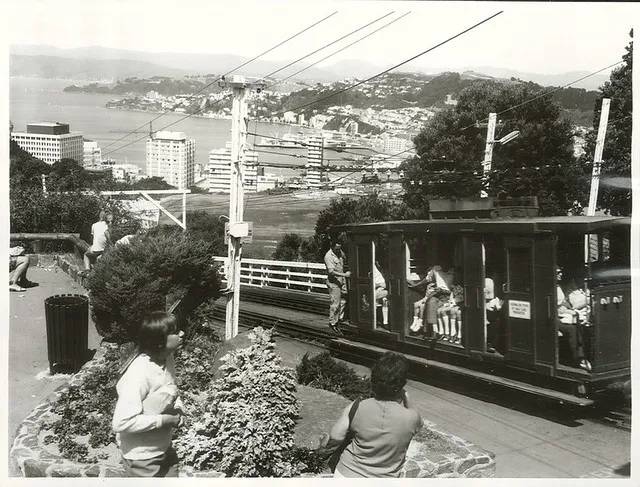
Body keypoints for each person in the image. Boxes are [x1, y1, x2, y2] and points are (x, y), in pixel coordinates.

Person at [326, 351, 423, 477]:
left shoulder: (357, 406)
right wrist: (406, 395)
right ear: (402, 384)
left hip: (346, 474)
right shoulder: (412, 417)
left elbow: (336, 436)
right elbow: (419, 424)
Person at [112, 311, 185, 477]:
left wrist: (178, 408)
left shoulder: (167, 358)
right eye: (174, 332)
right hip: (142, 458)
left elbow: (172, 389)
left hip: (164, 448)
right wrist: (163, 420)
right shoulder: (138, 374)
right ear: (159, 342)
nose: (182, 334)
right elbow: (121, 423)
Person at [556, 267, 591, 372]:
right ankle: (578, 359)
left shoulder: (558, 286)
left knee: (578, 324)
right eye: (558, 272)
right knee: (572, 329)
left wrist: (567, 308)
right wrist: (567, 311)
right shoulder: (550, 287)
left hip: (561, 314)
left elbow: (562, 302)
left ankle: (582, 356)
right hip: (553, 318)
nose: (561, 274)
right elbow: (554, 307)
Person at [324, 242, 351, 335]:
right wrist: (344, 274)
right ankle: (333, 322)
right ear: (332, 248)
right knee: (335, 303)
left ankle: (340, 318)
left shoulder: (339, 252)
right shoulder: (328, 256)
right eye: (337, 249)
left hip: (341, 281)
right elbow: (331, 271)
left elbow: (344, 260)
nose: (339, 251)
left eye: (340, 249)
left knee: (344, 300)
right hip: (334, 282)